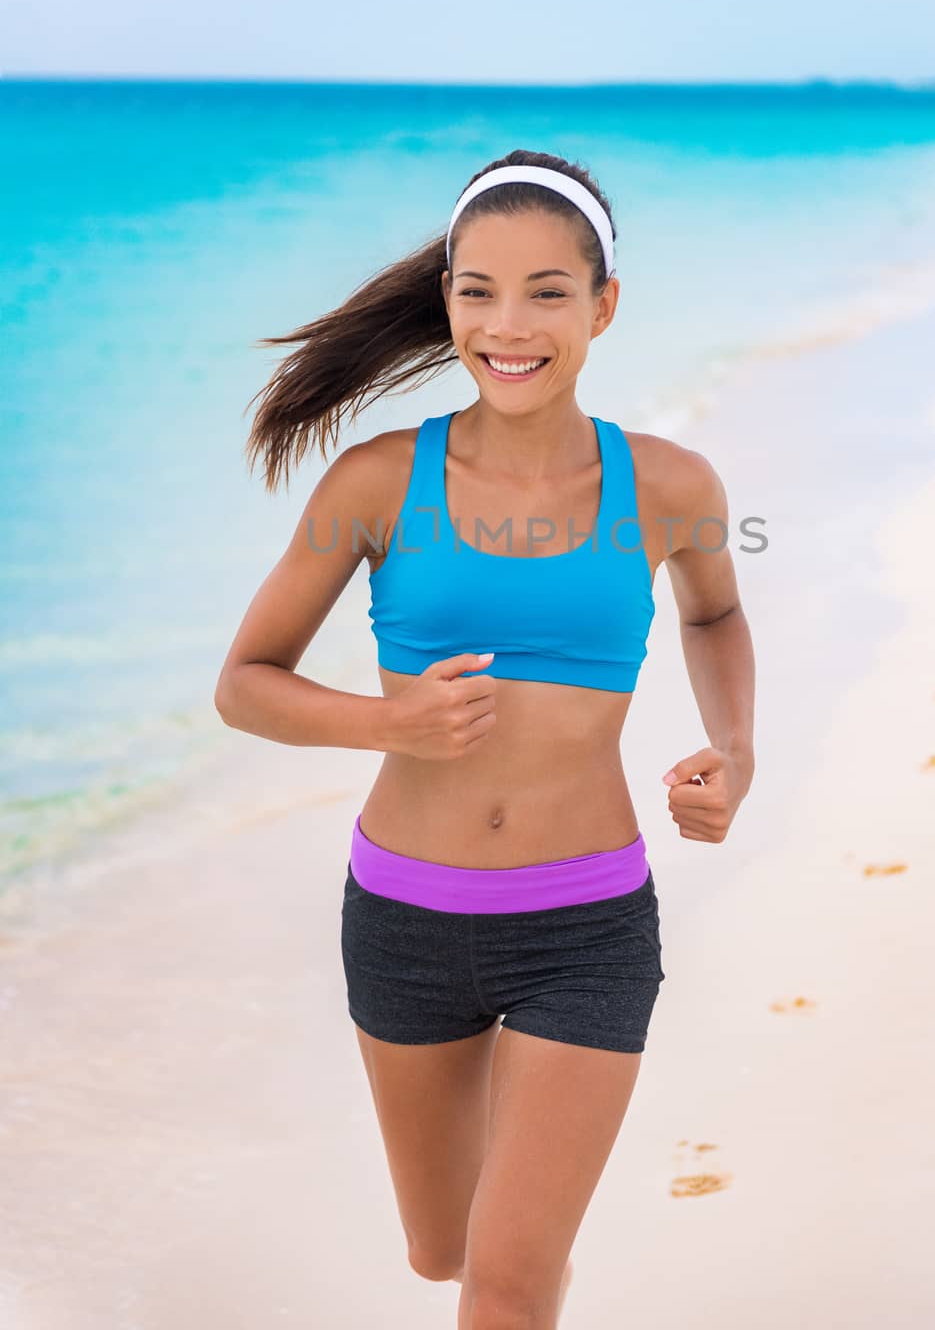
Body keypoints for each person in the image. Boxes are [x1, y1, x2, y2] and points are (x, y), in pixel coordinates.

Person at [214, 149, 756, 1328]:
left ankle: (528, 1273)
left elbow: (715, 608)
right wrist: (382, 719)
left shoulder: (667, 485)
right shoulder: (373, 484)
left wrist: (737, 746)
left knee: (503, 1291)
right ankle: (527, 1261)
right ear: (448, 297)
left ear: (604, 305)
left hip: (587, 927)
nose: (509, 325)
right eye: (479, 290)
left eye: (549, 292)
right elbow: (244, 684)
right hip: (405, 923)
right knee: (444, 1253)